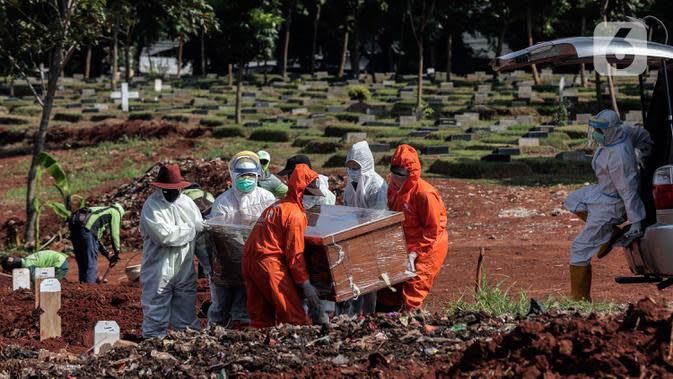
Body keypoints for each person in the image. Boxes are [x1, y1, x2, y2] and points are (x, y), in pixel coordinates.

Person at [564, 109, 653, 301]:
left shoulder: (619, 158)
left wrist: (636, 221)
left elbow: (628, 192)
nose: (596, 132)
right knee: (572, 200)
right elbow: (643, 135)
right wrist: (642, 152)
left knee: (579, 249)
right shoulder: (624, 133)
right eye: (595, 127)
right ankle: (610, 232)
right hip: (602, 191)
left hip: (612, 204)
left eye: (600, 129)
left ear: (612, 130)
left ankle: (580, 301)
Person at [242, 163, 324, 328]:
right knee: (293, 317)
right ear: (301, 191)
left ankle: (261, 348)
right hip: (269, 263)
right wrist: (305, 284)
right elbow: (295, 255)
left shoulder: (277, 206)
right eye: (311, 194)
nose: (314, 198)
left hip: (249, 260)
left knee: (261, 318)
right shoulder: (295, 214)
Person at [207, 151, 276, 328]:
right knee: (222, 302)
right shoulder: (223, 202)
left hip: (258, 258)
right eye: (243, 176)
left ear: (257, 176)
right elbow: (219, 232)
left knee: (252, 298)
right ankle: (216, 330)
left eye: (251, 176)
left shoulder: (266, 198)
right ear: (234, 176)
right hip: (228, 260)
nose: (247, 179)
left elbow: (272, 227)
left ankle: (245, 327)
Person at [378, 144, 448, 311]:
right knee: (389, 288)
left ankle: (413, 324)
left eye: (401, 176)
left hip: (428, 246)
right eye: (394, 174)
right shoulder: (393, 188)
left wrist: (414, 254)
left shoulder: (424, 194)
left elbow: (432, 229)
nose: (397, 179)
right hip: (406, 242)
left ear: (412, 174)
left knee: (414, 287)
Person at [139, 163, 204, 339]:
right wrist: (192, 227)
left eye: (175, 189)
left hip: (184, 267)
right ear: (160, 188)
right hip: (158, 269)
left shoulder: (187, 204)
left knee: (186, 315)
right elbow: (165, 236)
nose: (172, 193)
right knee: (155, 313)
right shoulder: (151, 207)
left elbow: (201, 237)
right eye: (168, 190)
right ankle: (152, 346)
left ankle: (187, 347)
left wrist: (208, 265)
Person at [278, 155, 336, 323]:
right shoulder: (302, 191)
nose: (289, 179)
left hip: (317, 248)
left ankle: (322, 322)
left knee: (318, 291)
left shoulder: (319, 194)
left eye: (291, 175)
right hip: (302, 246)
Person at [337, 141, 388, 316]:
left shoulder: (376, 187)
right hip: (355, 241)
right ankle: (354, 316)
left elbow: (378, 219)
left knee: (370, 283)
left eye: (356, 167)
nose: (352, 171)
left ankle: (369, 316)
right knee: (355, 282)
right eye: (349, 167)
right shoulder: (350, 188)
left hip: (372, 241)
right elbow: (347, 212)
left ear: (365, 165)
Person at [68, 203, 124, 283]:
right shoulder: (115, 211)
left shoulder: (97, 211)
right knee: (90, 261)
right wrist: (117, 251)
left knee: (82, 261)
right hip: (86, 229)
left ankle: (83, 287)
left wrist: (107, 254)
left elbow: (96, 240)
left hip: (74, 229)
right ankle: (90, 287)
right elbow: (115, 233)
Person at [1, 250, 69, 280]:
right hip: (59, 259)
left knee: (50, 285)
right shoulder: (27, 259)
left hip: (59, 264)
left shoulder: (28, 267)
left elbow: (35, 280)